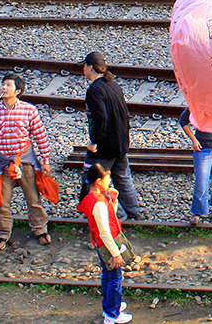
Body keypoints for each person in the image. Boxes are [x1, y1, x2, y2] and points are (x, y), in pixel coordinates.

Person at [0, 73, 53, 250]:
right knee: (1, 201)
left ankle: (40, 229)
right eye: (2, 84)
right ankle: (2, 233)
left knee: (33, 197)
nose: (3, 88)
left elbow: (40, 136)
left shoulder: (29, 110)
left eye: (8, 85)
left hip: (25, 160)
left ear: (18, 91)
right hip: (2, 162)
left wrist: (45, 160)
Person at [81, 51, 142, 221]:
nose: (83, 69)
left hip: (105, 146)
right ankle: (133, 213)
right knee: (123, 177)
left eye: (84, 65)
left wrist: (95, 141)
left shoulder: (94, 90)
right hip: (120, 143)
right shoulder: (113, 85)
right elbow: (124, 114)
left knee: (93, 180)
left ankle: (116, 215)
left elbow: (100, 117)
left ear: (90, 67)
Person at [78, 163, 134, 324]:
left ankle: (110, 305)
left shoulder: (92, 198)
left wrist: (113, 202)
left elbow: (105, 220)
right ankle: (112, 313)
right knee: (115, 278)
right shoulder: (98, 202)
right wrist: (116, 254)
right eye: (107, 179)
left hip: (100, 243)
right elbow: (104, 231)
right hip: (107, 245)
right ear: (98, 181)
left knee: (107, 275)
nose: (109, 182)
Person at [181, 107, 212, 226]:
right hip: (203, 148)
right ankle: (199, 211)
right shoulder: (197, 101)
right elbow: (183, 121)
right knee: (201, 181)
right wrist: (193, 139)